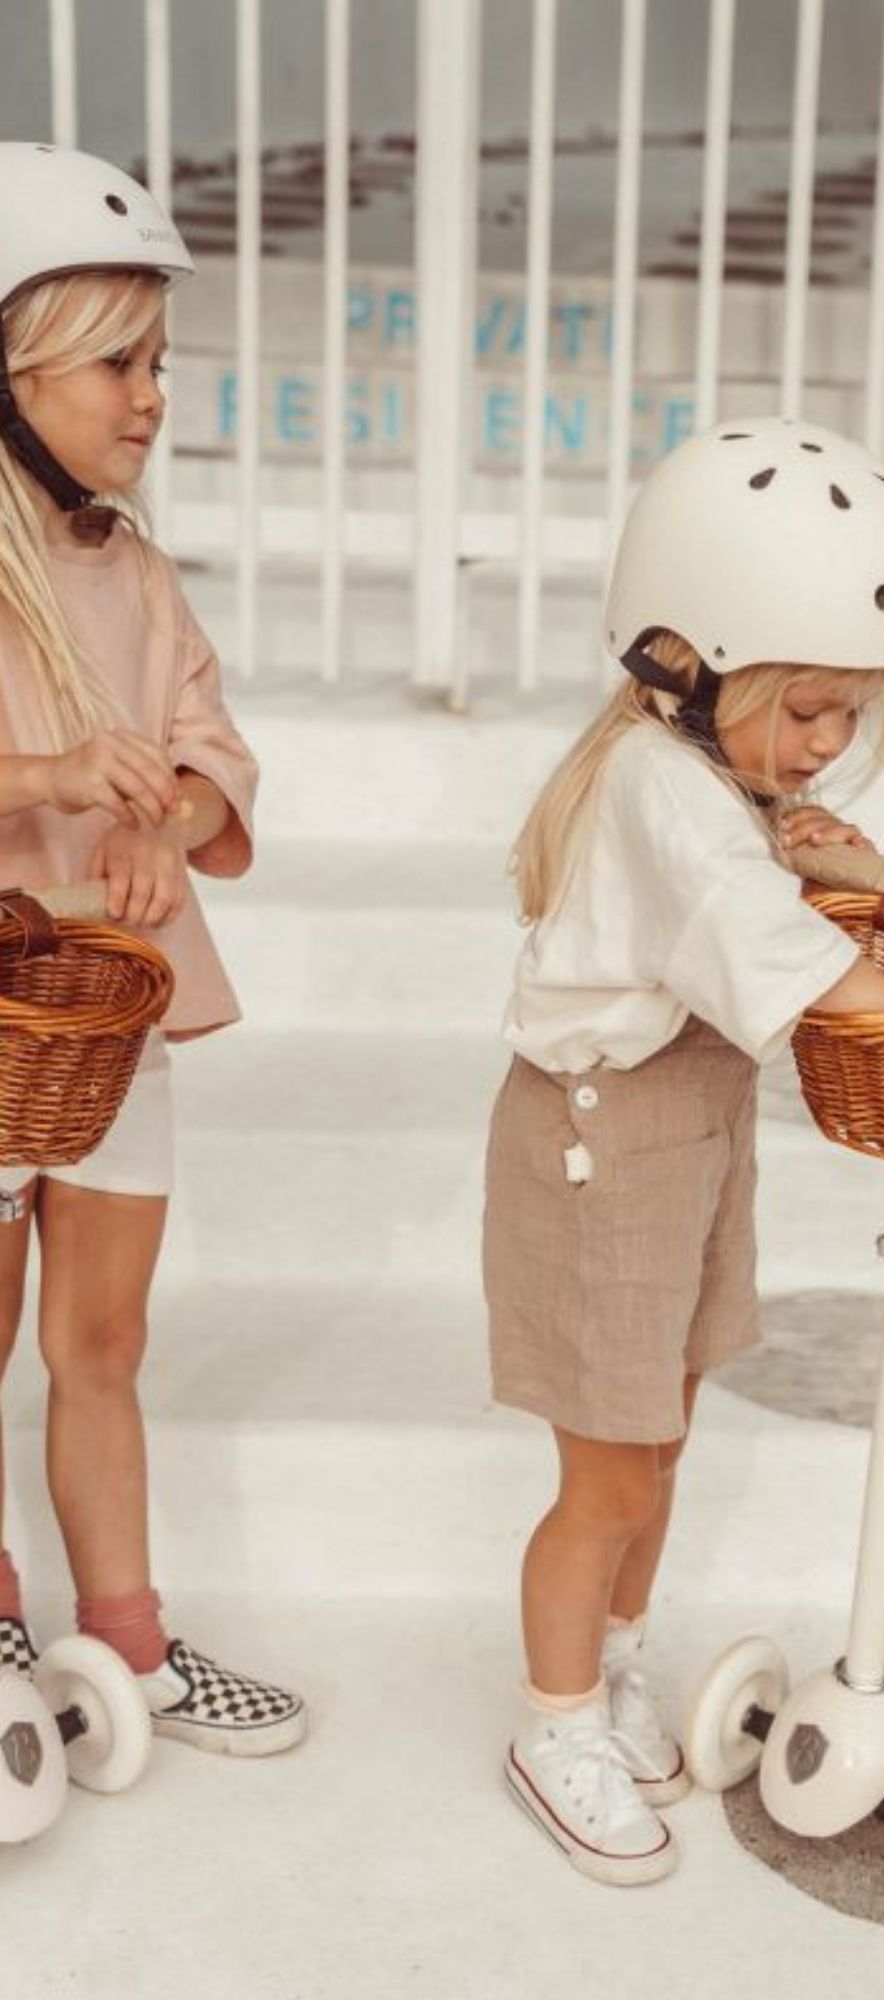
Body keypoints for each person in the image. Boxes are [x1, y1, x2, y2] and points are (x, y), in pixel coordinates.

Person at [485, 414, 884, 1882]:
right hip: (597, 1148)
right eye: (809, 710)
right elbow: (778, 953)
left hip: (680, 1133)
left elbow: (753, 878)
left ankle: (612, 1660)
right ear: (693, 664)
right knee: (608, 1472)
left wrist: (786, 817)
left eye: (845, 718)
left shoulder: (703, 780)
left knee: (663, 1436)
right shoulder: (661, 794)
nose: (827, 745)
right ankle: (552, 1718)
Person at [0, 143, 303, 1755]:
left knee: (102, 1341)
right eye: (118, 362)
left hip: (105, 1019)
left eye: (156, 363)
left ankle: (132, 1643)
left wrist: (165, 822)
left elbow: (215, 752)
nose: (150, 397)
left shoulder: (137, 569)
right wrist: (47, 779)